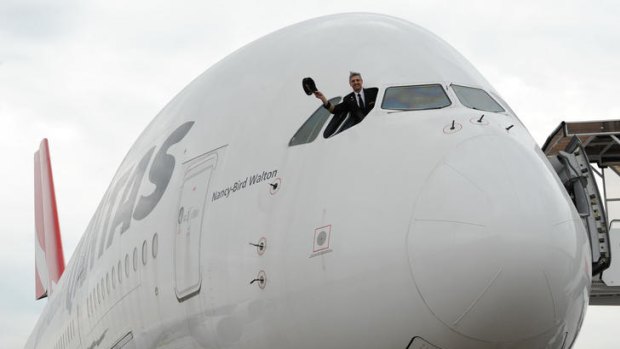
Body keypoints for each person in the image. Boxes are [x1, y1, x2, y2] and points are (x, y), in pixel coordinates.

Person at [313, 72, 378, 134]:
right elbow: (334, 109)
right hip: (361, 129)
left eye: (357, 80)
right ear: (350, 84)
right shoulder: (348, 99)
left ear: (361, 81)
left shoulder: (373, 92)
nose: (356, 82)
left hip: (375, 125)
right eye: (353, 81)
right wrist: (323, 98)